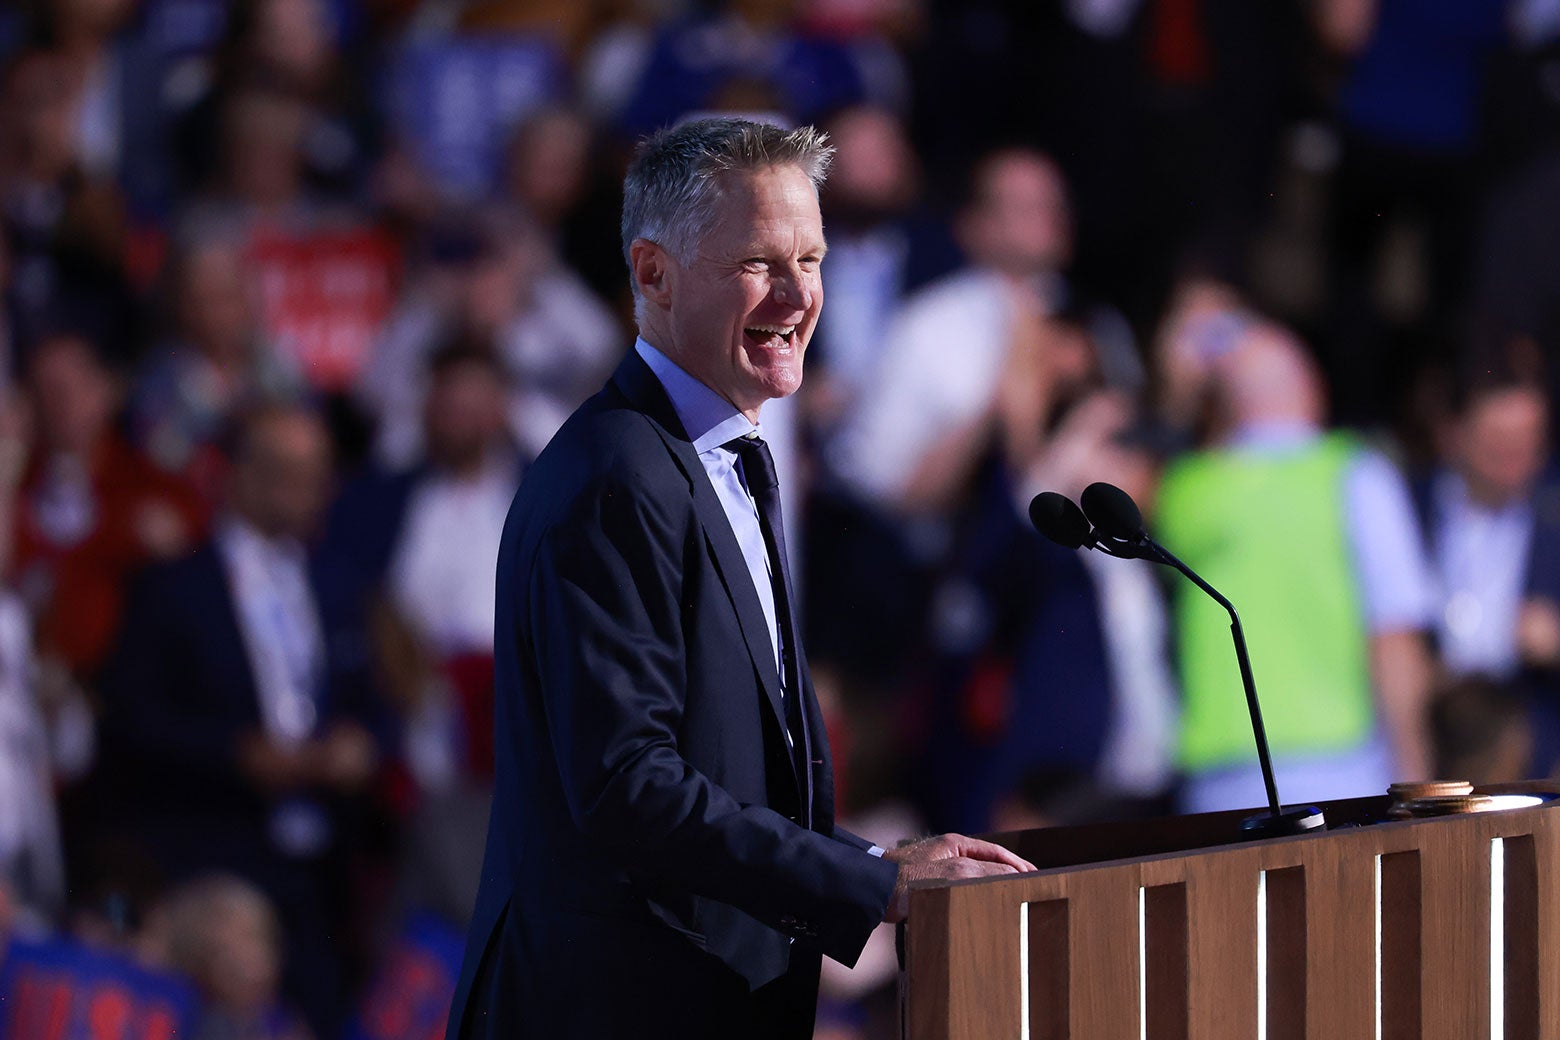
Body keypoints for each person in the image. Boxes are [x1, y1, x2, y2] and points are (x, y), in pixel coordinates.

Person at [446, 117, 1033, 1040]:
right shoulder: (615, 476)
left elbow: (726, 778)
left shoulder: (719, 456)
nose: (801, 295)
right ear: (653, 274)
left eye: (813, 258)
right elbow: (629, 789)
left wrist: (880, 861)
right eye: (761, 263)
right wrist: (874, 885)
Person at [1154, 323, 1437, 812]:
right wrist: (1416, 775)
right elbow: (1392, 636)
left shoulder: (1185, 491)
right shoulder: (1355, 474)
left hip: (1217, 775)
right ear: (1313, 388)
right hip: (1340, 766)